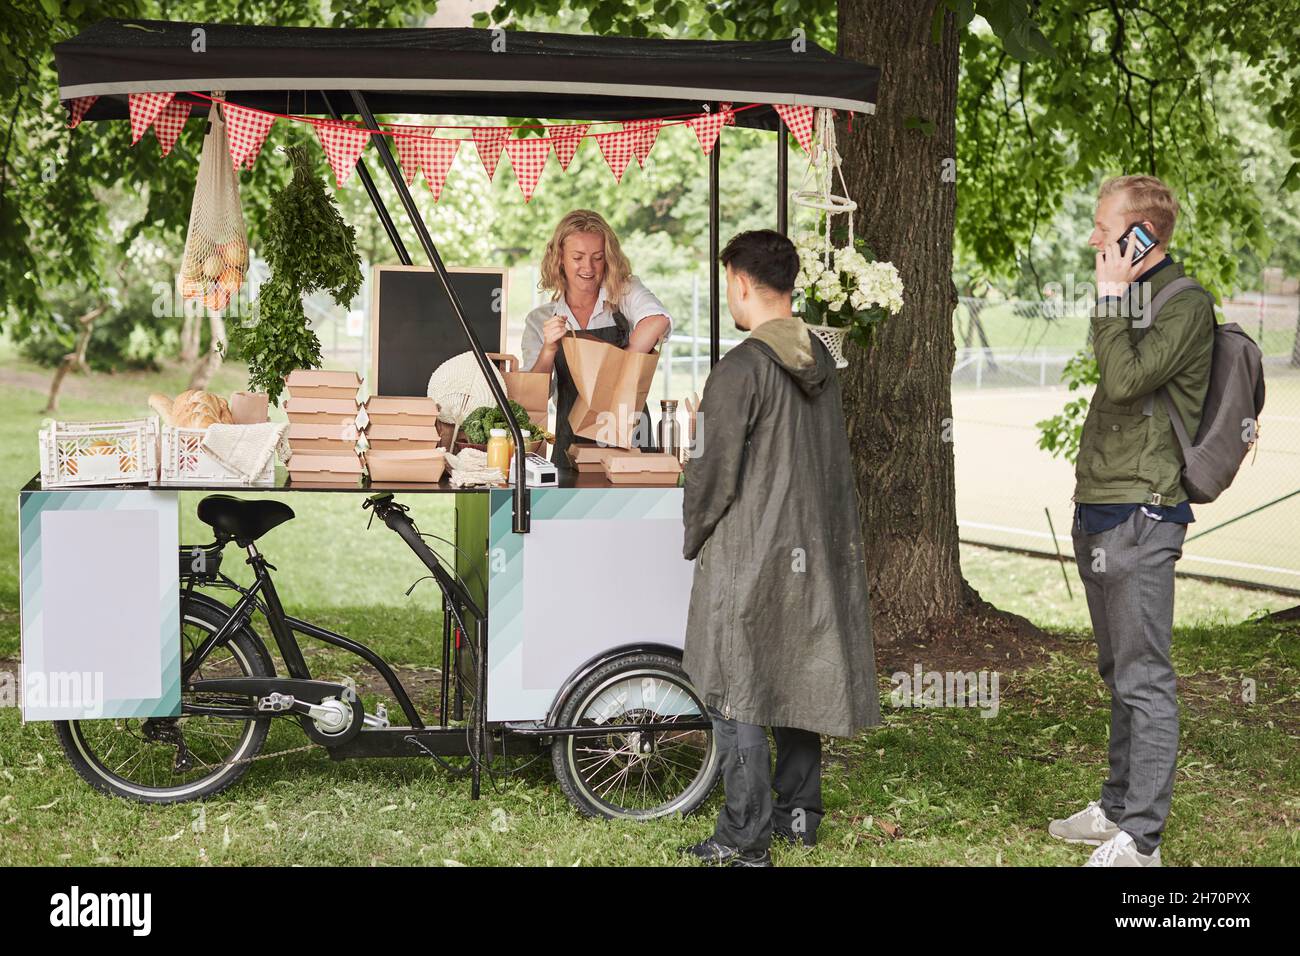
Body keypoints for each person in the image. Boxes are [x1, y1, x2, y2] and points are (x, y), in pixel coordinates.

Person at [679, 229, 880, 867]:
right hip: (809, 546)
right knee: (793, 674)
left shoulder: (739, 368)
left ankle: (745, 837)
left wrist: (694, 531)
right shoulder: (821, 357)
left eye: (729, 284)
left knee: (737, 685)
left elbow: (712, 473)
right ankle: (799, 817)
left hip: (751, 548)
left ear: (740, 281)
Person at [1051, 175, 1214, 867]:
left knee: (1144, 677)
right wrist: (1117, 299)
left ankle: (1141, 840)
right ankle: (1116, 807)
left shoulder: (1183, 305)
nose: (1092, 238)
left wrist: (1112, 297)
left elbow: (1123, 380)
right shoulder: (1136, 299)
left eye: (1102, 226)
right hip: (1102, 505)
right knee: (1118, 669)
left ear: (1139, 234)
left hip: (1144, 511)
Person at [520, 209, 671, 465]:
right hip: (574, 442)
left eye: (597, 258)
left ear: (608, 259)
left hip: (631, 438)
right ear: (559, 259)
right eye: (577, 257)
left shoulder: (624, 294)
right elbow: (534, 398)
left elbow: (658, 320)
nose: (588, 267)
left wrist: (616, 372)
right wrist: (548, 350)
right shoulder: (540, 320)